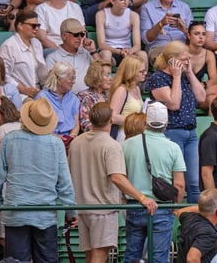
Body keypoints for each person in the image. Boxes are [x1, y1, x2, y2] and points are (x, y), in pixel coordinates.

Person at [68, 101, 156, 263]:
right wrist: (142, 197)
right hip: (103, 208)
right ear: (111, 121)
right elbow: (117, 177)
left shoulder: (76, 143)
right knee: (99, 256)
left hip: (81, 207)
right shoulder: (111, 145)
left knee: (90, 256)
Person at [120, 102, 185, 263]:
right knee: (159, 258)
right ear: (166, 122)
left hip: (135, 204)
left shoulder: (126, 145)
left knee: (132, 255)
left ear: (146, 121)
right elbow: (179, 185)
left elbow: (122, 177)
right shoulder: (173, 148)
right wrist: (174, 206)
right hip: (162, 207)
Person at [148, 41, 207, 205]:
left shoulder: (184, 77)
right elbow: (174, 104)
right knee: (176, 181)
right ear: (172, 60)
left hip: (191, 133)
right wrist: (176, 77)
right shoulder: (158, 78)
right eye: (183, 59)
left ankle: (195, 220)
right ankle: (174, 217)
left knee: (194, 182)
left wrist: (189, 73)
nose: (187, 62)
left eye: (188, 58)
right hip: (172, 131)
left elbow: (202, 97)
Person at [0, 9, 49, 100]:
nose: (37, 29)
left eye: (38, 26)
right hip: (17, 94)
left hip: (38, 90)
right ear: (20, 25)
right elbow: (2, 75)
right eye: (33, 26)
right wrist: (23, 89)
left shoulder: (37, 43)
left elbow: (41, 72)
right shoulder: (9, 46)